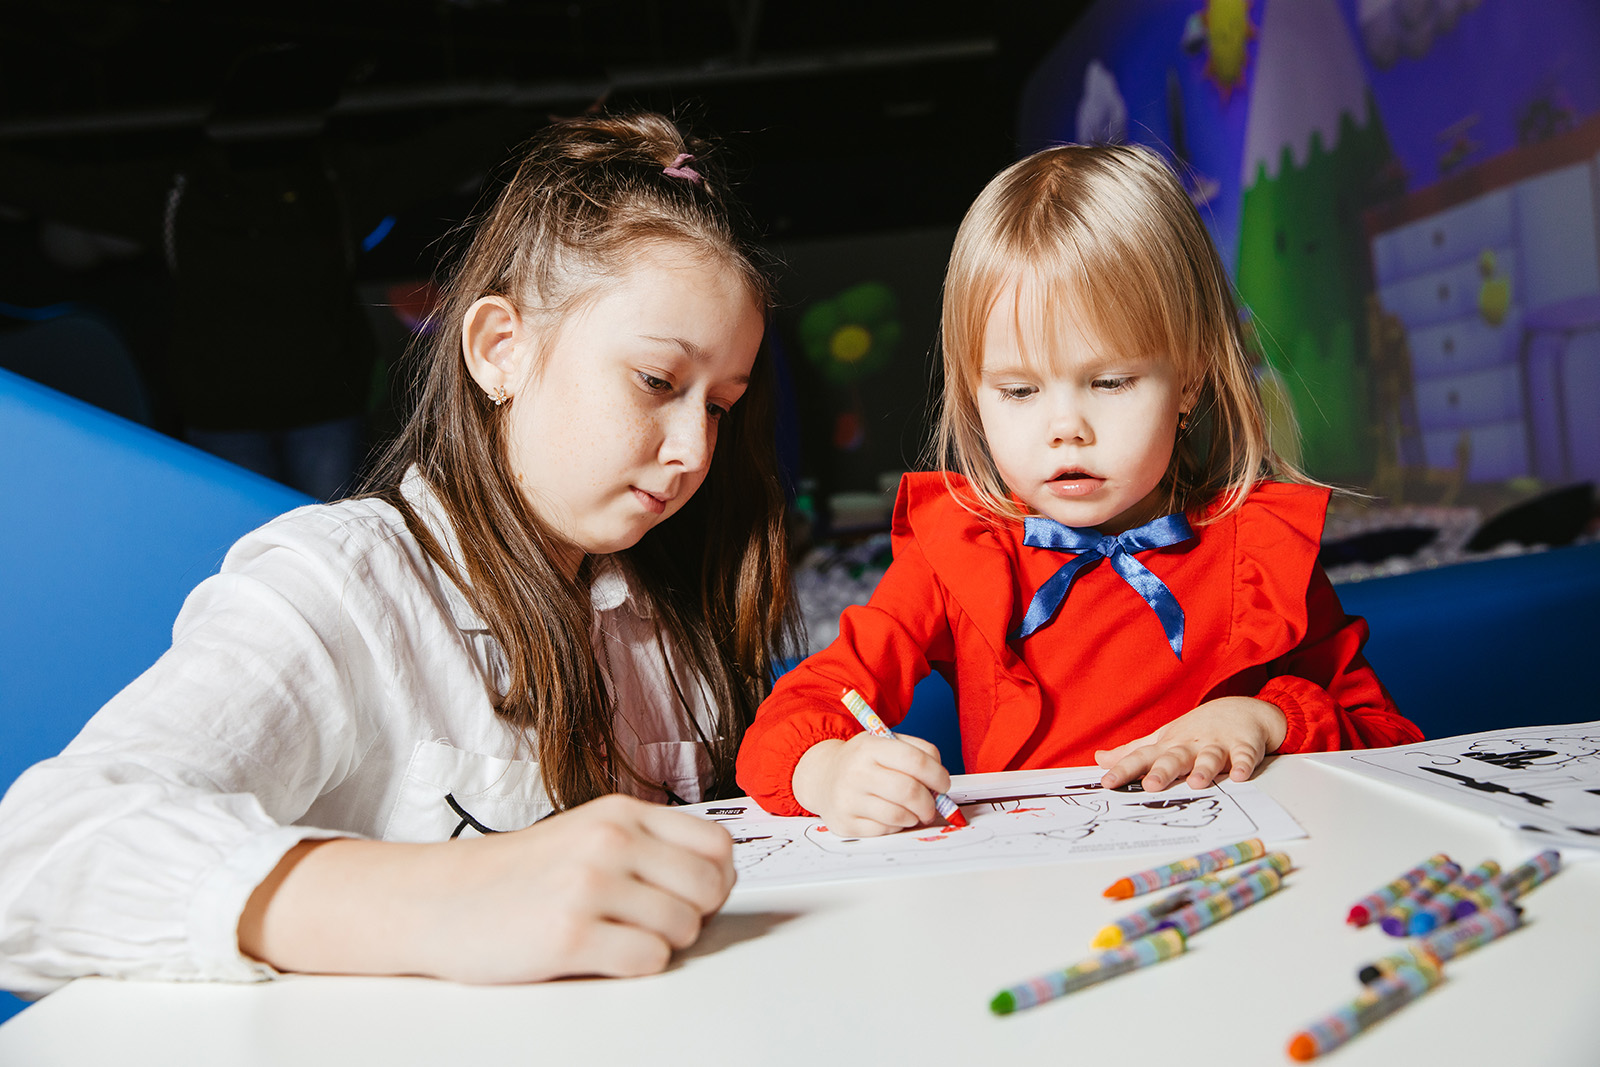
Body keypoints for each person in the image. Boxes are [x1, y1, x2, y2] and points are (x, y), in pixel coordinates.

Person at [0, 112, 799, 995]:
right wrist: (453, 895)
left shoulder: (668, 619)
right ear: (500, 349)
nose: (693, 449)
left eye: (718, 406)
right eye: (656, 381)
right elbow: (39, 856)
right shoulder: (344, 584)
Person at [735, 143, 1422, 837]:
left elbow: (1390, 738)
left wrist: (1265, 718)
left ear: (1188, 378)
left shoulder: (1260, 551)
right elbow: (785, 724)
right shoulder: (960, 556)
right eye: (1019, 390)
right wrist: (831, 771)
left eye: (1110, 381)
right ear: (974, 393)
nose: (1065, 429)